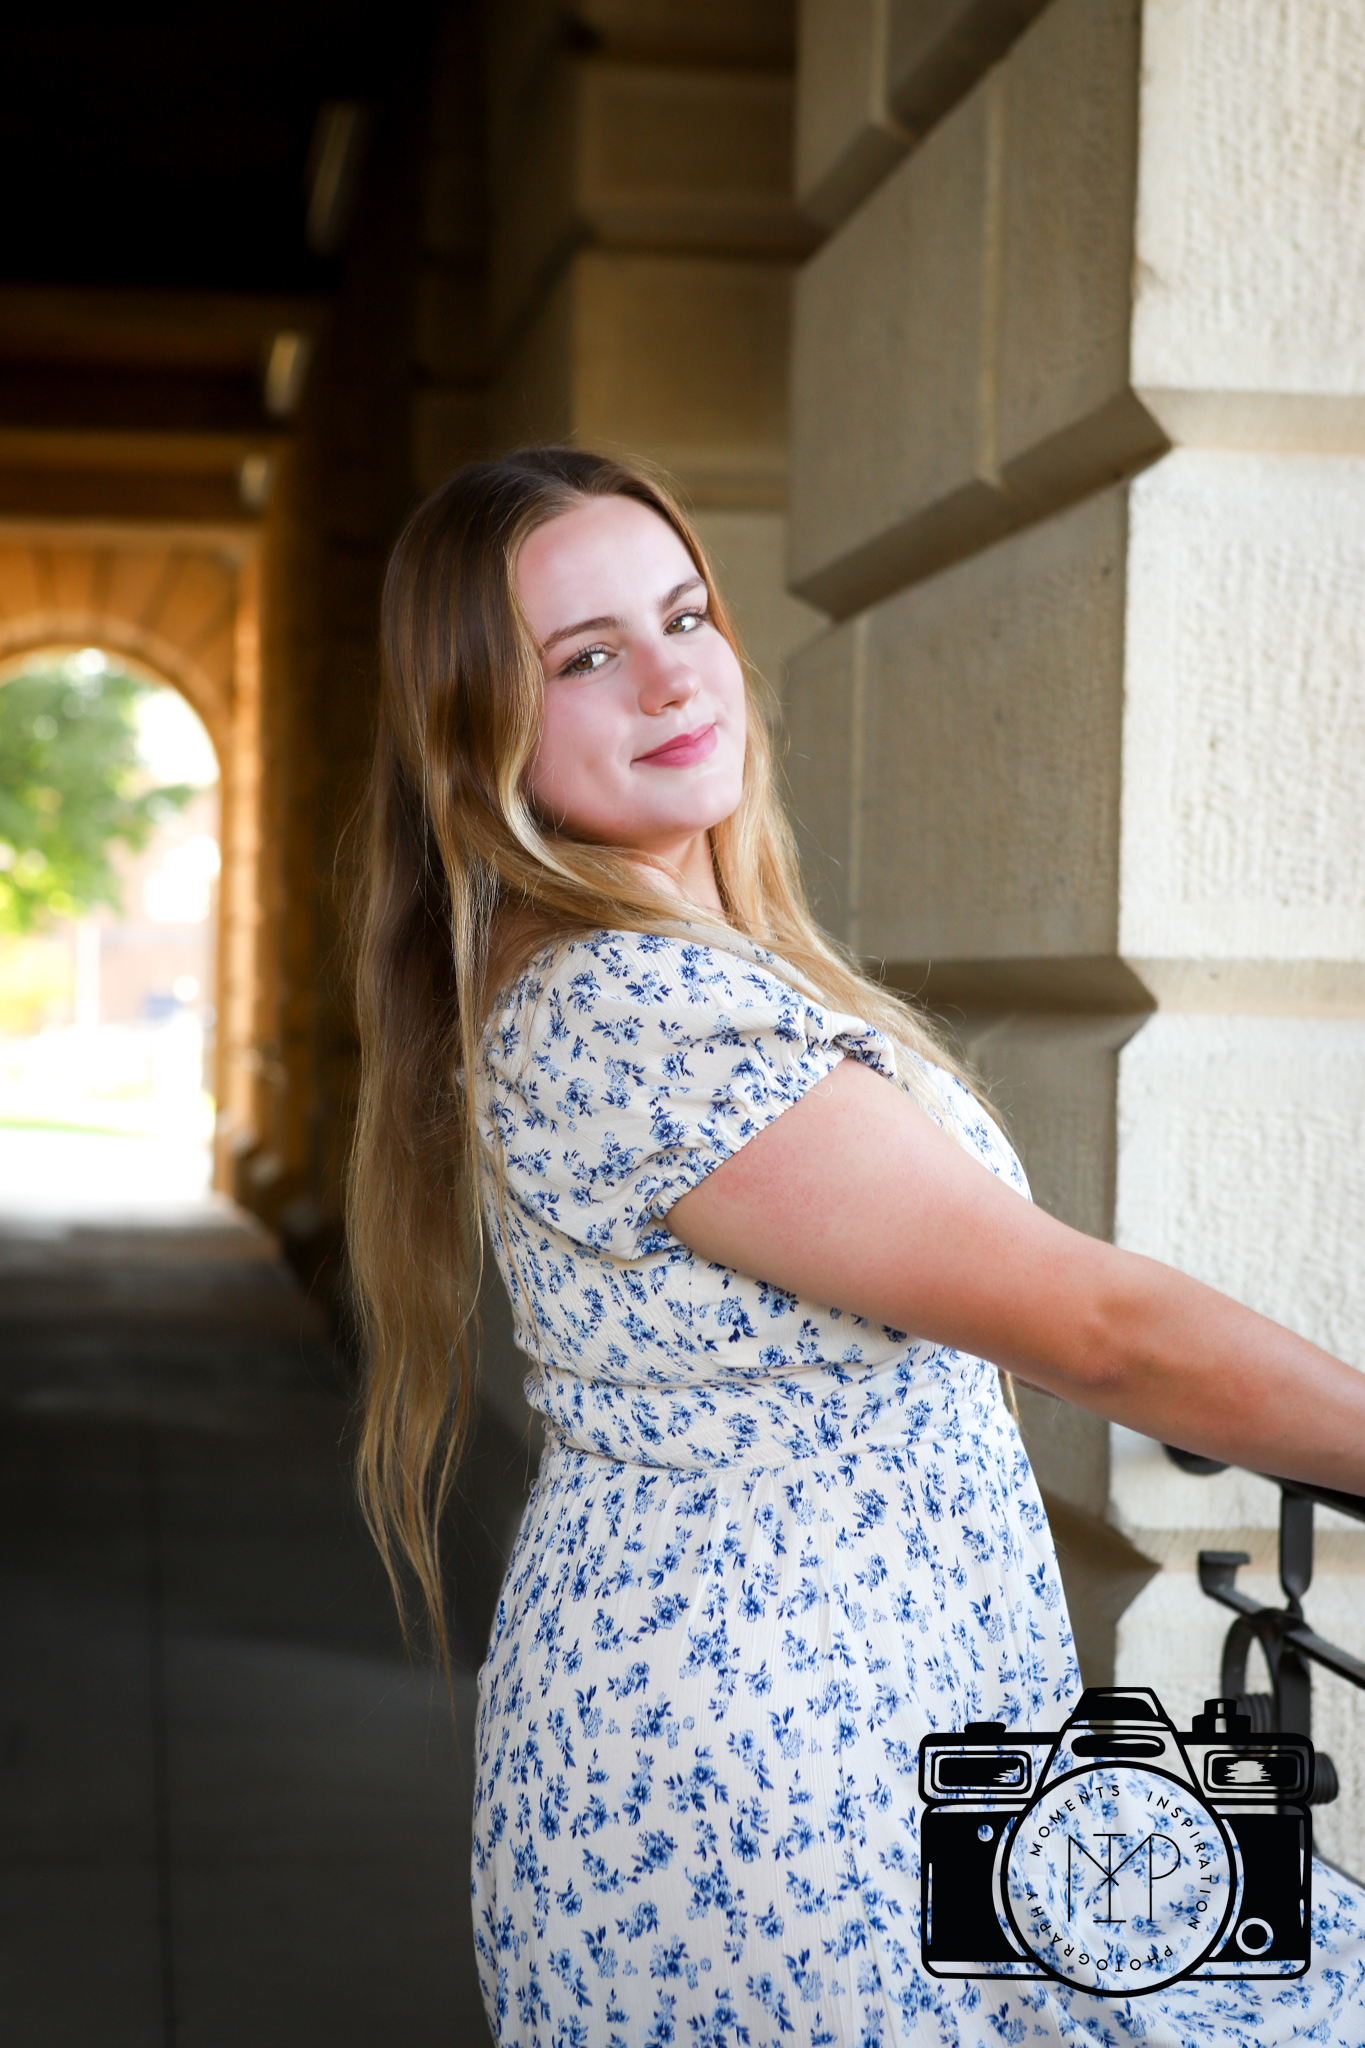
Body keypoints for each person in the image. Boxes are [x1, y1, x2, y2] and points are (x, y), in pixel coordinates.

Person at [346, 445, 1365, 2046]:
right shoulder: (637, 1007)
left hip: (876, 1710)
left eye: (684, 616)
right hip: (773, 1773)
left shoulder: (690, 969)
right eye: (585, 657)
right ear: (481, 734)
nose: (670, 676)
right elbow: (1099, 1333)